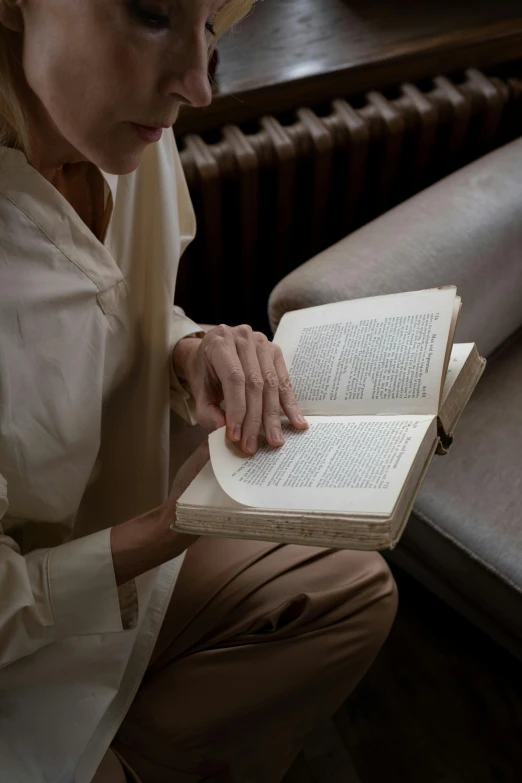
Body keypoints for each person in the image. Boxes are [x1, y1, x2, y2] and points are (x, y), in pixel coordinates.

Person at [0, 1, 398, 781]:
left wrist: (188, 349)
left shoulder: (127, 130)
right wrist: (163, 530)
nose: (198, 83)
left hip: (112, 559)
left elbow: (103, 314)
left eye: (211, 22)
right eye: (152, 12)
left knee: (351, 587)